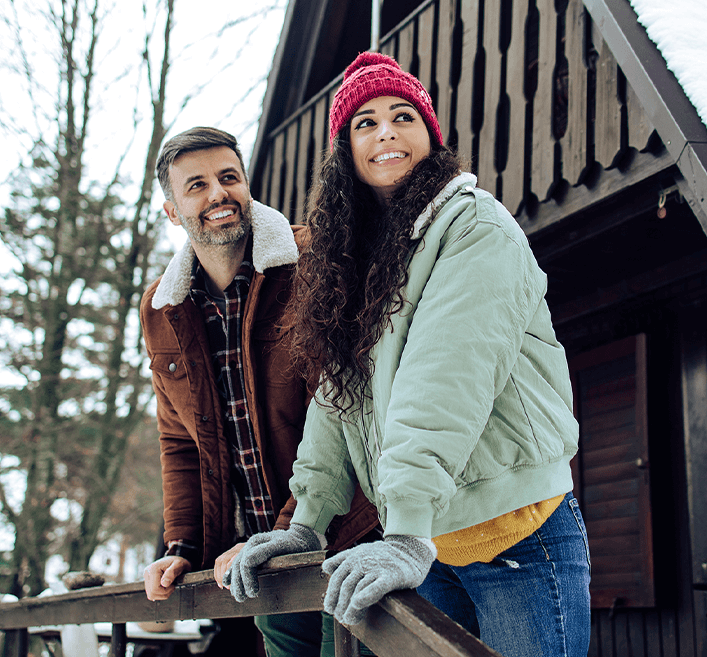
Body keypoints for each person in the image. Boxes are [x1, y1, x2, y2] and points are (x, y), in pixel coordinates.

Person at [228, 53, 591, 657]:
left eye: (403, 116)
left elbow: (444, 379)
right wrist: (306, 523)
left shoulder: (476, 229)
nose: (386, 132)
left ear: (430, 136)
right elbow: (336, 397)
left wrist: (405, 529)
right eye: (365, 123)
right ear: (346, 149)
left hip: (516, 532)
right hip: (430, 540)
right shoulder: (357, 258)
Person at [139, 127, 378, 657]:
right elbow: (179, 441)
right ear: (173, 212)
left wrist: (292, 528)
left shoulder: (314, 261)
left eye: (229, 177)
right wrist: (183, 547)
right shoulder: (161, 309)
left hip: (351, 537)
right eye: (196, 185)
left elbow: (346, 406)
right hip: (265, 563)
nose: (218, 193)